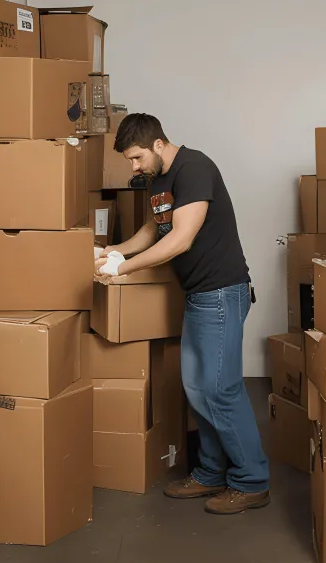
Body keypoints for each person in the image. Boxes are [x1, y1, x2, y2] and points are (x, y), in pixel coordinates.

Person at [97, 113, 270, 514]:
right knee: (196, 388)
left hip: (222, 294)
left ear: (158, 144)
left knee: (221, 391)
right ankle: (210, 473)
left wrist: (121, 270)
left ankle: (251, 482)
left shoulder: (194, 168)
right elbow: (153, 230)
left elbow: (180, 238)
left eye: (137, 157)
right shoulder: (158, 180)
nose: (134, 167)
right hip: (198, 295)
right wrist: (116, 251)